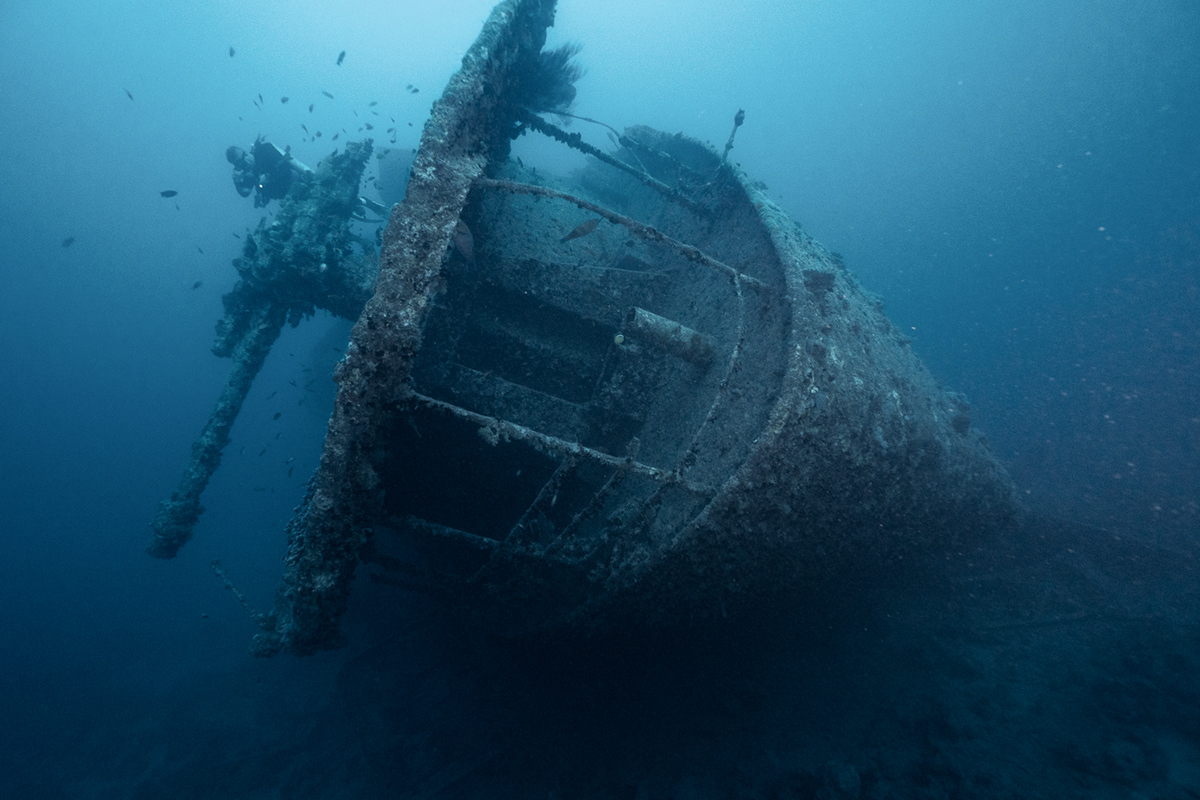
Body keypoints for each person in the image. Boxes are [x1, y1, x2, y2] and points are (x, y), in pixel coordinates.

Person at [225, 138, 313, 207]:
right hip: (288, 198)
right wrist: (237, 182)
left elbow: (286, 168)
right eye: (239, 165)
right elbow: (245, 193)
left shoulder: (265, 151)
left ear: (246, 154)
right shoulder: (249, 173)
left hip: (299, 183)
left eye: (243, 162)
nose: (244, 166)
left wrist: (269, 177)